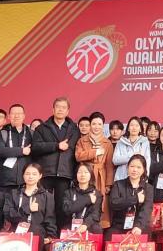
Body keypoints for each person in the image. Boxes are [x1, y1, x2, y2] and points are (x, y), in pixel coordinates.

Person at [31, 97, 80, 229]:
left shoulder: (74, 129)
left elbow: (75, 151)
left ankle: (59, 235)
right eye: (58, 107)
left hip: (65, 174)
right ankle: (43, 232)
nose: (60, 110)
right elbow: (35, 148)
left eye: (63, 107)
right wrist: (56, 146)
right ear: (53, 109)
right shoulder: (42, 128)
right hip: (46, 173)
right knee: (43, 205)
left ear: (68, 111)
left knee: (61, 207)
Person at [75, 111, 115, 228]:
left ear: (103, 126)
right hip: (85, 174)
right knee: (85, 200)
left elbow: (109, 165)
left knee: (100, 202)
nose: (96, 127)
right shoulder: (82, 140)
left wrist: (108, 184)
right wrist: (95, 152)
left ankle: (99, 227)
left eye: (99, 124)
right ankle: (82, 225)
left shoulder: (107, 143)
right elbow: (78, 156)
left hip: (100, 176)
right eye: (94, 124)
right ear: (90, 125)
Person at [106, 155, 154, 240]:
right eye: (132, 166)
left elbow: (147, 209)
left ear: (143, 170)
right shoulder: (118, 184)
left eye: (139, 167)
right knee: (110, 235)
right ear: (127, 168)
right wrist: (135, 199)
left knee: (146, 233)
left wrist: (139, 226)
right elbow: (114, 203)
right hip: (120, 225)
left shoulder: (148, 188)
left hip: (139, 225)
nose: (135, 170)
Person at [0, 103, 34, 193]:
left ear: (24, 116)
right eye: (13, 113)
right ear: (9, 116)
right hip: (5, 181)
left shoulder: (31, 133)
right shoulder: (2, 133)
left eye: (19, 113)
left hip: (26, 181)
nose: (16, 116)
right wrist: (22, 151)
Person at [61, 162, 102, 234]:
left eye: (86, 172)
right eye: (79, 172)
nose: (82, 175)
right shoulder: (69, 192)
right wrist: (87, 199)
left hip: (88, 225)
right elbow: (67, 209)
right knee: (64, 230)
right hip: (71, 223)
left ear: (91, 175)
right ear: (76, 175)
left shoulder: (96, 194)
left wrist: (85, 225)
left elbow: (95, 214)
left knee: (96, 229)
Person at [113, 116, 151, 182]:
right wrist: (131, 156)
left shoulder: (145, 142)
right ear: (128, 128)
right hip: (121, 178)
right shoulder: (120, 142)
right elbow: (115, 160)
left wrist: (145, 177)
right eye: (132, 125)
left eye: (137, 125)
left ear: (140, 129)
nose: (134, 128)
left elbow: (147, 161)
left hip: (138, 179)